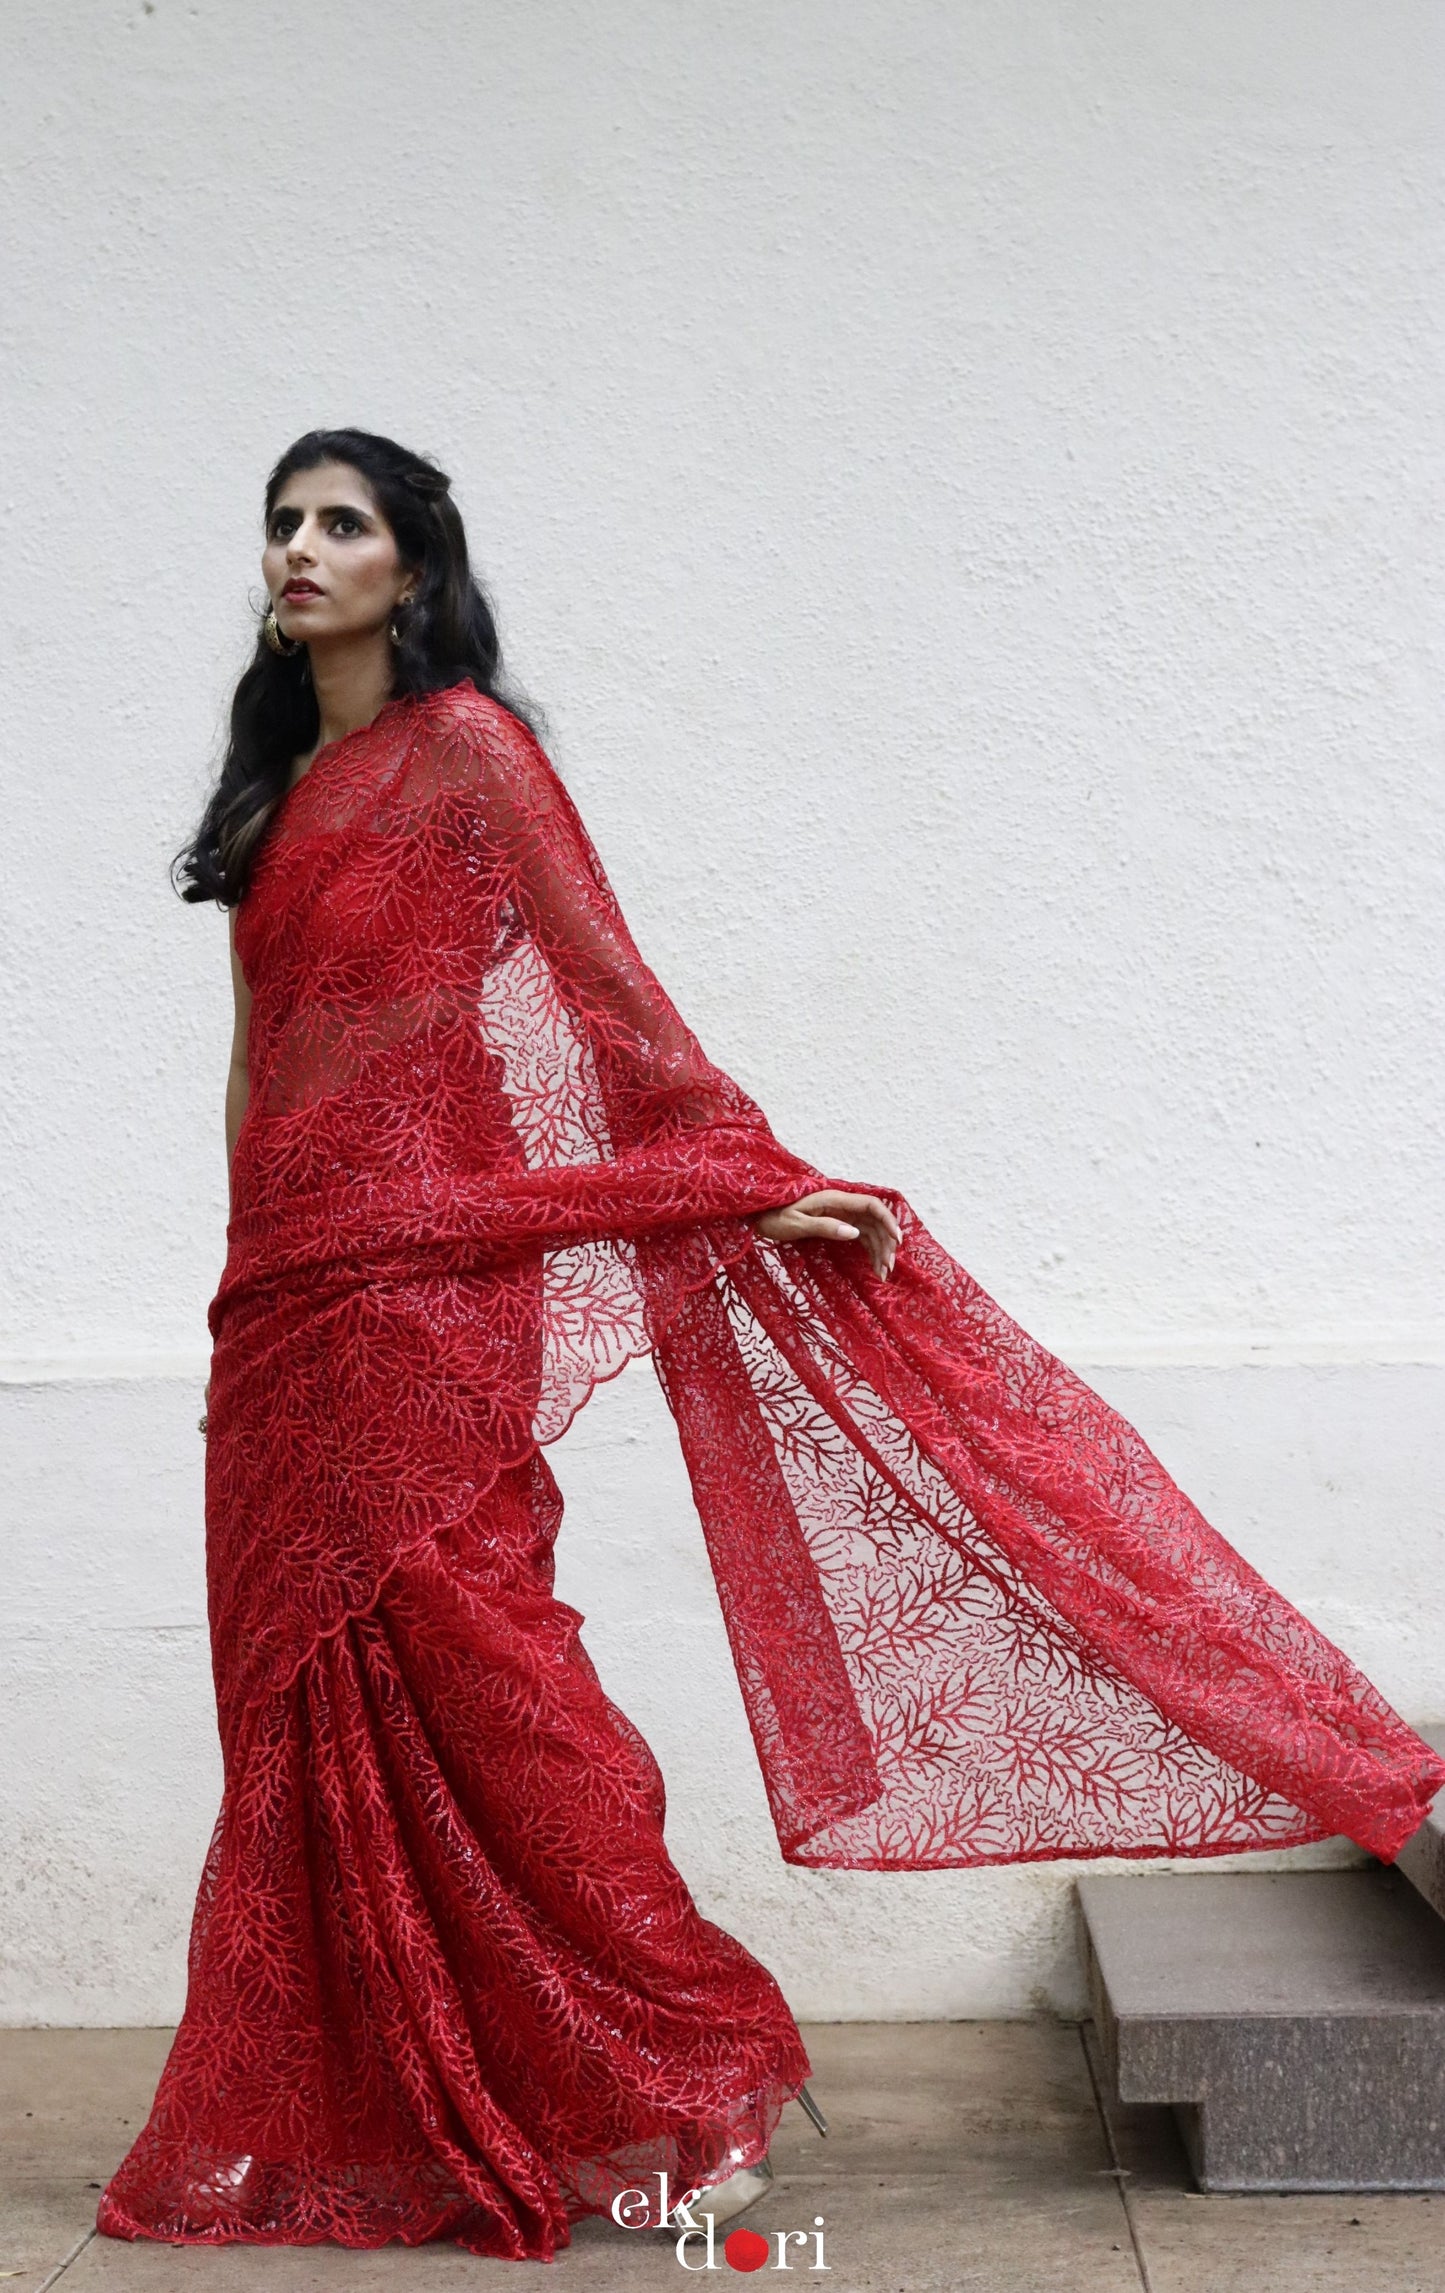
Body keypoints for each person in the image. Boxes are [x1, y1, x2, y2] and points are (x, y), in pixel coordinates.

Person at [97, 429, 1445, 2264]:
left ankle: (678, 2070)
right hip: (287, 1305)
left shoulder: (471, 750)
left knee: (503, 1693)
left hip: (435, 1300)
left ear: (417, 568)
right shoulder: (274, 788)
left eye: (345, 524)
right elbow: (259, 1067)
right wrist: (245, 1274)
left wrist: (741, 1183)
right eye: (282, 523)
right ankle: (432, 2100)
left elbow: (608, 992)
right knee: (301, 1716)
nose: (302, 549)